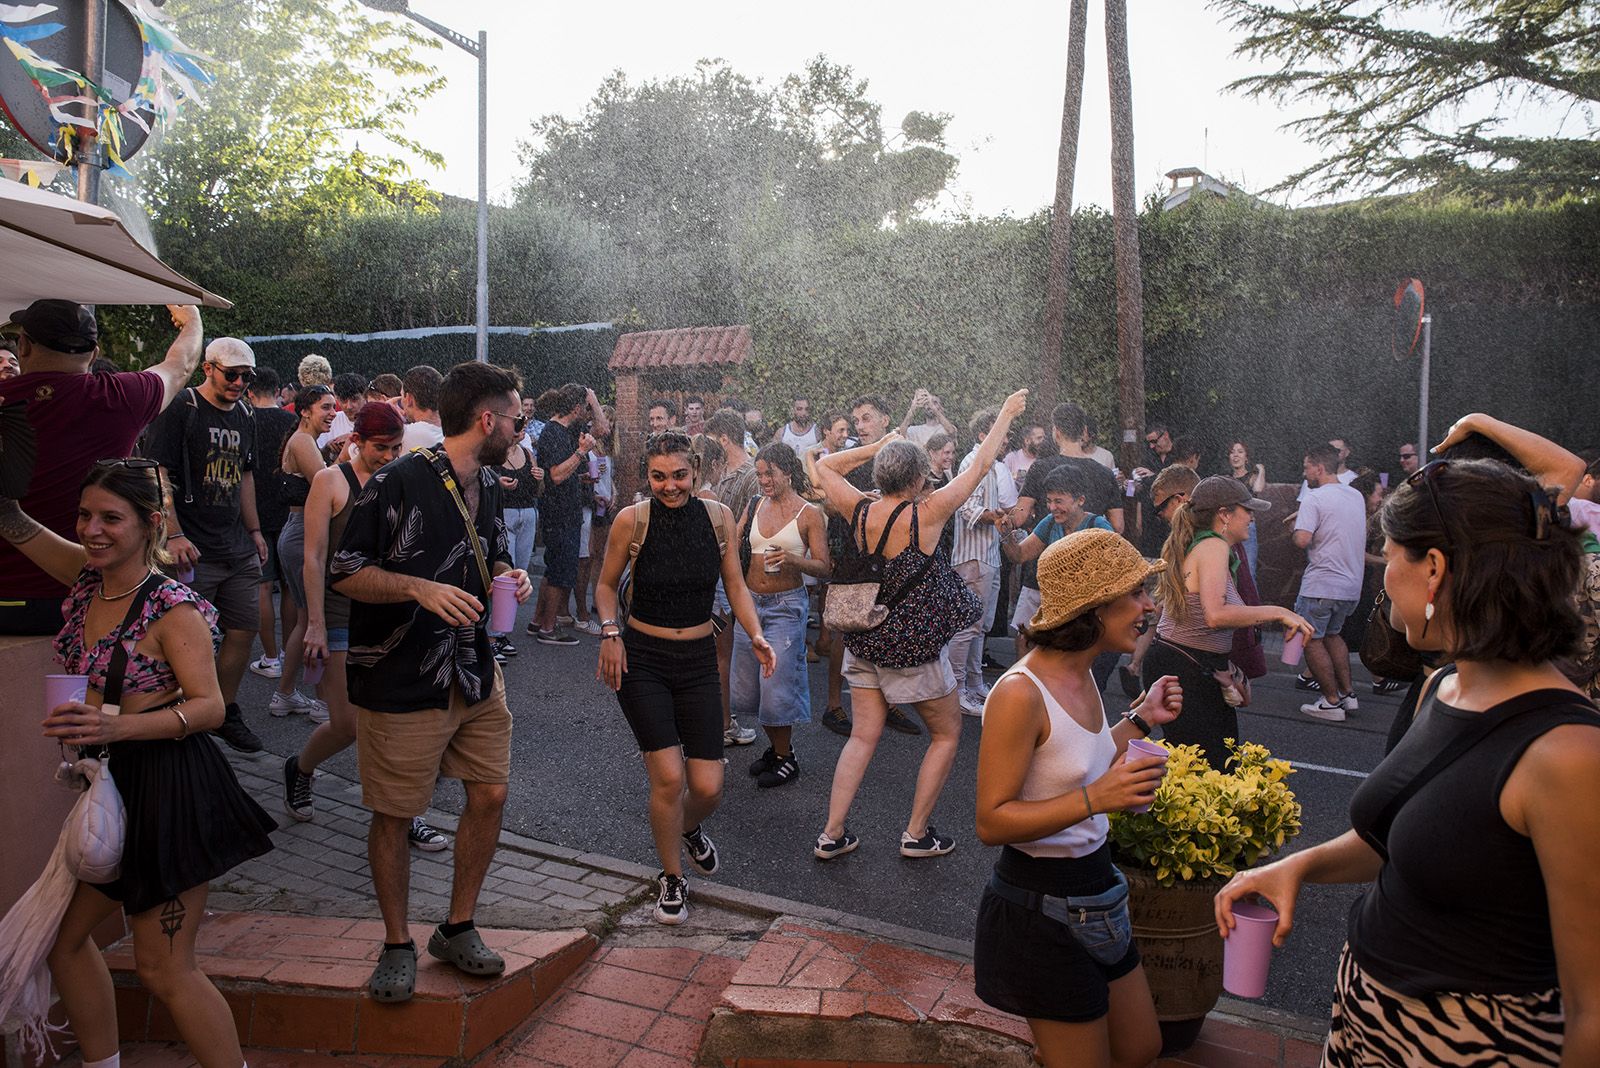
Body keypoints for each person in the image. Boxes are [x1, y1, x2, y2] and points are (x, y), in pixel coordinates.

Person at [1217, 458, 1600, 1068]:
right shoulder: (1442, 685)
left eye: (1390, 553)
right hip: (1365, 1030)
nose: (1382, 575)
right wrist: (1296, 867)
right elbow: (1399, 840)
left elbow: (1592, 1010)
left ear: (1435, 569)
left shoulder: (1567, 752)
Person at [0, 460, 274, 1068]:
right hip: (110, 785)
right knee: (66, 945)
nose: (92, 530)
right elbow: (13, 524)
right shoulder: (88, 580)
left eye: (110, 519)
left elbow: (209, 707)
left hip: (171, 789)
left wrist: (116, 725)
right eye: (84, 515)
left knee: (165, 969)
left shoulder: (172, 607)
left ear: (151, 524)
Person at [330, 361, 532, 1002]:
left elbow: (493, 545)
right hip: (402, 672)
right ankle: (396, 943)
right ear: (488, 419)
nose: (520, 429)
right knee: (395, 813)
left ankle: (457, 926)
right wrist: (418, 587)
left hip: (475, 667)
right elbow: (344, 569)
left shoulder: (491, 482)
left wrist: (510, 573)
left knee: (491, 794)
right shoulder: (395, 482)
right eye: (517, 417)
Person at [974, 528, 1183, 1068]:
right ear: (1095, 607)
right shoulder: (1020, 693)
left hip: (1100, 890)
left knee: (1140, 1048)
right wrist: (1096, 799)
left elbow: (1079, 760)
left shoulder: (1084, 672)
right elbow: (992, 821)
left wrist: (1139, 720)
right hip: (1040, 908)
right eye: (1136, 593)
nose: (1148, 605)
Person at [812, 388, 1028, 862]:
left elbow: (823, 467)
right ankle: (915, 834)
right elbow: (976, 469)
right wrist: (1006, 413)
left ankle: (831, 833)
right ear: (917, 478)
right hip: (909, 648)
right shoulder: (927, 514)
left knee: (862, 735)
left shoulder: (860, 507)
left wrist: (876, 447)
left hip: (864, 641)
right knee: (948, 734)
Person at [594, 431, 775, 924]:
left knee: (710, 786)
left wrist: (756, 633)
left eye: (678, 475)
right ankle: (672, 877)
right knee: (670, 778)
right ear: (646, 475)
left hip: (697, 659)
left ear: (695, 471)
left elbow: (735, 584)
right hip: (643, 659)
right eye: (658, 476)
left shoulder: (717, 519)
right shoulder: (632, 521)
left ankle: (686, 830)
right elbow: (606, 586)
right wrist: (609, 631)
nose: (669, 486)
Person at [287, 400, 447, 853]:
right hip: (340, 615)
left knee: (398, 722)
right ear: (356, 441)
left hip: (389, 615)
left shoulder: (399, 480)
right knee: (348, 723)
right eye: (381, 447)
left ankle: (405, 814)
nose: (389, 456)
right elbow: (313, 558)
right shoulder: (330, 481)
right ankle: (299, 767)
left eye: (397, 448)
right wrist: (314, 623)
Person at [0, 302, 202, 634]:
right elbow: (180, 366)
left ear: (23, 345)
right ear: (93, 354)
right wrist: (191, 320)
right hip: (83, 597)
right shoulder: (119, 398)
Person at [144, 338, 268, 753]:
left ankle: (222, 709)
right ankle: (184, 718)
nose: (238, 383)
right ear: (208, 369)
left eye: (245, 377)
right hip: (192, 544)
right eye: (231, 374)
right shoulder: (183, 407)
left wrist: (254, 531)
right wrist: (174, 533)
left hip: (235, 544)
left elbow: (246, 474)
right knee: (187, 640)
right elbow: (159, 472)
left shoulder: (247, 413)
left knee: (243, 629)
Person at [1149, 477, 1313, 762]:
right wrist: (1280, 612)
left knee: (1204, 767)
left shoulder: (1204, 544)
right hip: (1185, 666)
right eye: (1246, 510)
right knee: (1210, 770)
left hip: (1185, 662)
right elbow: (1216, 615)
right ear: (1224, 514)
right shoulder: (1214, 546)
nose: (1252, 517)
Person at [820, 395, 923, 738]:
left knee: (884, 624)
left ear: (885, 420)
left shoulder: (898, 458)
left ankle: (887, 702)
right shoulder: (853, 458)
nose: (859, 426)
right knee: (843, 629)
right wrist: (860, 502)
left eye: (866, 419)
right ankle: (834, 706)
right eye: (857, 420)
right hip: (853, 553)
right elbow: (827, 501)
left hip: (890, 556)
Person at [732, 443, 831, 788]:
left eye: (769, 473)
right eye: (759, 474)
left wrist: (793, 561)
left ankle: (787, 757)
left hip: (785, 607)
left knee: (775, 684)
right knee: (753, 687)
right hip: (751, 606)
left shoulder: (809, 514)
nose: (764, 480)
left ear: (788, 471)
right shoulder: (755, 503)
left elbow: (824, 567)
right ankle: (775, 750)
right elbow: (733, 542)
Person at [268, 384, 335, 719]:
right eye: (325, 407)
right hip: (301, 535)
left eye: (333, 407)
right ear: (305, 410)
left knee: (307, 619)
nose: (333, 413)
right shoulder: (301, 440)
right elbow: (325, 484)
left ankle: (286, 694)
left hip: (297, 533)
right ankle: (322, 702)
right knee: (313, 619)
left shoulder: (305, 440)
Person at [951, 407, 1019, 715]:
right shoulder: (972, 461)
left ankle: (975, 684)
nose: (1006, 439)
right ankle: (957, 691)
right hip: (973, 555)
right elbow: (965, 508)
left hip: (987, 554)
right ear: (983, 435)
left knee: (979, 627)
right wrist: (998, 517)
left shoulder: (991, 465)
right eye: (1000, 432)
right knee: (967, 626)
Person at [1295, 443, 1370, 721]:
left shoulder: (1315, 498)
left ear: (1319, 467)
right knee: (1332, 635)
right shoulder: (1355, 496)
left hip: (1321, 583)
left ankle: (1330, 701)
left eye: (1306, 468)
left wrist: (1295, 531)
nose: (1304, 474)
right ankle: (1348, 695)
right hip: (1350, 586)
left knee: (1310, 639)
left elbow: (1302, 539)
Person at [706, 408, 762, 745]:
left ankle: (725, 719)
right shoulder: (719, 474)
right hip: (717, 579)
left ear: (724, 439)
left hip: (733, 577)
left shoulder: (750, 476)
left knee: (723, 654)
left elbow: (749, 534)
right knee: (718, 653)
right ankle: (723, 722)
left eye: (713, 441)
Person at [529, 384, 600, 646]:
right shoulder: (553, 432)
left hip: (563, 511)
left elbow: (562, 473)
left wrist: (579, 477)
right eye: (587, 406)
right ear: (576, 408)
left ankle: (537, 621)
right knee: (561, 570)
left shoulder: (560, 430)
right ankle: (549, 628)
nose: (588, 412)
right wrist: (581, 453)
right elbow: (556, 475)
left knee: (553, 568)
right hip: (560, 514)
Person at [246, 368, 298, 680]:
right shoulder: (289, 421)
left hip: (256, 513)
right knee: (290, 588)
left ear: (249, 391)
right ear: (278, 390)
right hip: (287, 510)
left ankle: (270, 657)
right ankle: (290, 651)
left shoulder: (243, 420)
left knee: (263, 587)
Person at [493, 431, 543, 657]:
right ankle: (496, 635)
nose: (520, 430)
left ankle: (503, 632)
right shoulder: (493, 452)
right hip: (505, 514)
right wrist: (498, 484)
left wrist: (540, 478)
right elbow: (481, 482)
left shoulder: (527, 453)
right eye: (516, 424)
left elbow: (538, 490)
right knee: (507, 573)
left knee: (520, 571)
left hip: (528, 515)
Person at [1227, 441, 1268, 581]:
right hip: (1229, 528)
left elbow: (1258, 489)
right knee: (1229, 572)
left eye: (1240, 451)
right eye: (1232, 452)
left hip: (1247, 527)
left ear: (1246, 457)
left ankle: (1250, 602)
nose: (1235, 455)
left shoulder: (1252, 477)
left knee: (1249, 572)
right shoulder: (1226, 478)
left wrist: (1261, 470)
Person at [399, 364, 444, 451]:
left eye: (401, 397)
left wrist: (385, 411)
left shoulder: (403, 436)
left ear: (409, 399)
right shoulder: (453, 434)